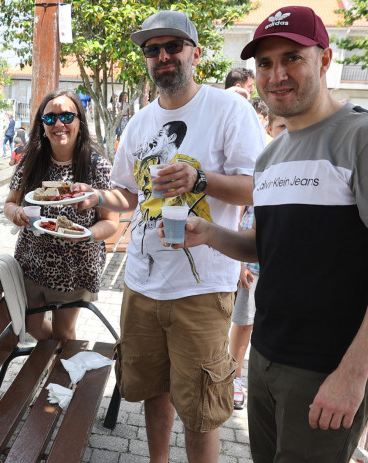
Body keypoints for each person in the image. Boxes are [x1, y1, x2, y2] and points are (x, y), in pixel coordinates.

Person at [164, 6, 368, 462]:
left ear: (324, 60)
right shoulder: (271, 157)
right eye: (264, 63)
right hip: (265, 357)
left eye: (292, 58)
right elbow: (264, 247)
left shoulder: (364, 139)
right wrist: (207, 232)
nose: (276, 74)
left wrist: (352, 374)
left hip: (327, 370)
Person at [73, 10, 264, 462]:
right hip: (140, 284)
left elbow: (257, 185)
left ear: (194, 54)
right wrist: (93, 196)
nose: (162, 56)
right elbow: (127, 194)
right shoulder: (140, 122)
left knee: (200, 409)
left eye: (172, 47)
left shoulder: (229, 109)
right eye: (152, 50)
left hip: (201, 288)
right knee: (153, 394)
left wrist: (200, 179)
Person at [4, 89, 118, 341]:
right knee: (32, 325)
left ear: (80, 121)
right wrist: (17, 213)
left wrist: (86, 235)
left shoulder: (96, 165)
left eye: (67, 117)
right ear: (41, 124)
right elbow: (10, 203)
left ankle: (63, 374)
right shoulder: (30, 161)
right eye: (50, 118)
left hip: (75, 266)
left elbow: (111, 222)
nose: (59, 124)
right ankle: (55, 359)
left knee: (64, 332)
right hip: (31, 261)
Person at [228, 112, 286, 410]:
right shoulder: (260, 164)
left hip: (283, 268)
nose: (286, 132)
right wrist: (238, 264)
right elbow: (238, 212)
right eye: (281, 126)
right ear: (270, 128)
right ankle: (234, 376)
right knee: (244, 323)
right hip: (252, 265)